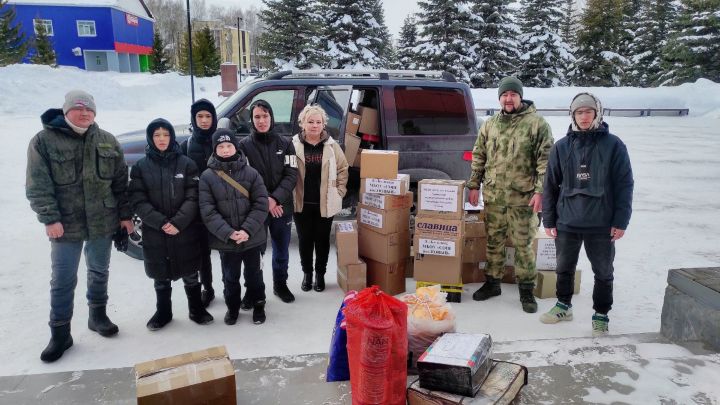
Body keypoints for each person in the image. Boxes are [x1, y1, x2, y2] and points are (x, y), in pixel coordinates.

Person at [26, 90, 133, 362]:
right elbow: (37, 185)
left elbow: (121, 184)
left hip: (102, 221)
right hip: (66, 225)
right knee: (62, 279)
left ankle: (97, 316)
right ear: (66, 111)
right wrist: (50, 218)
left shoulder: (107, 141)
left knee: (99, 270)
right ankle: (60, 333)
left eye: (89, 109)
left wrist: (125, 216)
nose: (84, 113)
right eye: (78, 108)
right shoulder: (44, 141)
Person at [540, 93, 633, 336]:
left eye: (588, 111)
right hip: (567, 221)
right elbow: (550, 185)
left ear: (597, 114)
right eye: (579, 112)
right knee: (564, 267)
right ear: (573, 115)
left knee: (603, 271)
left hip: (602, 223)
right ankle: (563, 305)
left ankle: (601, 314)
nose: (584, 116)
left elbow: (625, 184)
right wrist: (549, 219)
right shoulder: (561, 146)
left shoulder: (614, 145)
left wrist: (621, 221)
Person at [467, 76, 553, 313]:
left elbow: (545, 162)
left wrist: (540, 192)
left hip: (523, 199)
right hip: (494, 197)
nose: (508, 98)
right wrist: (474, 185)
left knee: (523, 245)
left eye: (513, 94)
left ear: (520, 97)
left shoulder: (537, 124)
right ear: (500, 98)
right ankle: (493, 283)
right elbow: (479, 155)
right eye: (504, 95)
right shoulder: (490, 124)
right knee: (493, 242)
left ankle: (526, 289)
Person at [128, 118, 214, 331]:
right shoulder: (140, 167)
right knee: (160, 275)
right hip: (156, 231)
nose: (162, 139)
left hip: (184, 228)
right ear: (151, 138)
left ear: (172, 137)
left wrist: (178, 222)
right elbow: (138, 199)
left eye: (166, 135)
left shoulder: (186, 164)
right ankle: (163, 312)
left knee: (190, 273)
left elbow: (194, 196)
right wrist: (160, 222)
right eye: (157, 135)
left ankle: (196, 309)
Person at [199, 129, 269, 325]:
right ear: (215, 150)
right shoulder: (207, 177)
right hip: (227, 241)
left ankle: (258, 304)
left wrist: (247, 230)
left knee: (254, 275)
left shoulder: (251, 173)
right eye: (221, 146)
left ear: (236, 147)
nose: (226, 149)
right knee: (230, 277)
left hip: (252, 238)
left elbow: (261, 203)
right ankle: (233, 308)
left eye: (229, 145)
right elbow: (208, 210)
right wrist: (229, 233)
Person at [238, 100, 298, 306]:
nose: (261, 121)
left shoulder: (286, 144)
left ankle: (280, 284)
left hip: (282, 207)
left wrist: (275, 199)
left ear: (271, 117)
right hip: (256, 210)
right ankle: (253, 289)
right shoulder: (243, 146)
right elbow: (244, 180)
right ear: (252, 120)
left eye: (265, 116)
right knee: (255, 251)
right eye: (257, 117)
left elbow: (291, 175)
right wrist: (266, 202)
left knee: (281, 249)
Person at [292, 104, 349, 292]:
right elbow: (287, 171)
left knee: (322, 241)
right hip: (301, 203)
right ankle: (307, 274)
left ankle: (320, 275)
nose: (314, 125)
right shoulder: (293, 145)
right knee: (305, 240)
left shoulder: (332, 147)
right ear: (302, 123)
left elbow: (343, 169)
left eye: (318, 122)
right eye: (310, 121)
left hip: (325, 203)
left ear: (324, 124)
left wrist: (339, 191)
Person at [180, 99, 217, 308]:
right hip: (197, 209)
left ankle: (232, 287)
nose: (204, 121)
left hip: (221, 206)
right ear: (194, 119)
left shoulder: (221, 142)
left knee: (229, 251)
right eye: (200, 116)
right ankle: (207, 288)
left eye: (208, 116)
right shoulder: (186, 146)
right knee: (202, 252)